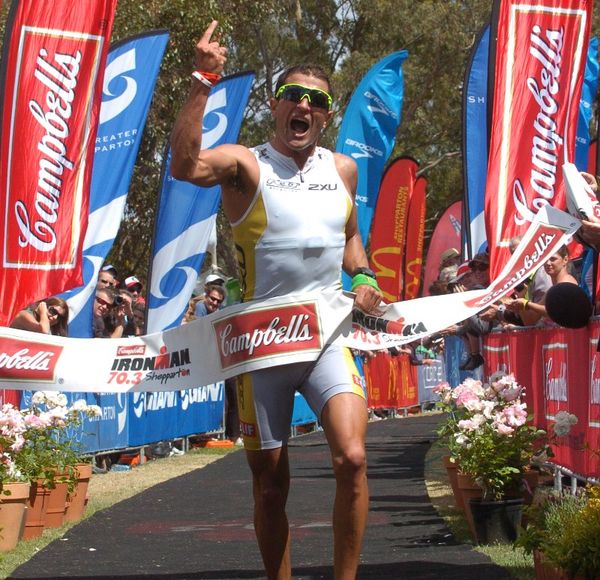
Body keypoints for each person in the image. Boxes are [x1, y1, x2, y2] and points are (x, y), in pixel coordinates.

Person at [170, 20, 382, 579]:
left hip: (325, 338)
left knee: (353, 459)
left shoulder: (343, 170)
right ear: (275, 104)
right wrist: (201, 78)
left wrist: (363, 278)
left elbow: (351, 240)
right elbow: (185, 166)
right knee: (269, 487)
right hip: (261, 345)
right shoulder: (246, 164)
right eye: (295, 96)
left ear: (326, 114)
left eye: (316, 101)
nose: (304, 107)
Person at [506, 245, 577, 322]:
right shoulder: (552, 289)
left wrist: (527, 304)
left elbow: (557, 313)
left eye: (553, 259)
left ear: (565, 259)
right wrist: (521, 304)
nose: (548, 263)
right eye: (545, 259)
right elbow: (530, 320)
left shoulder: (567, 283)